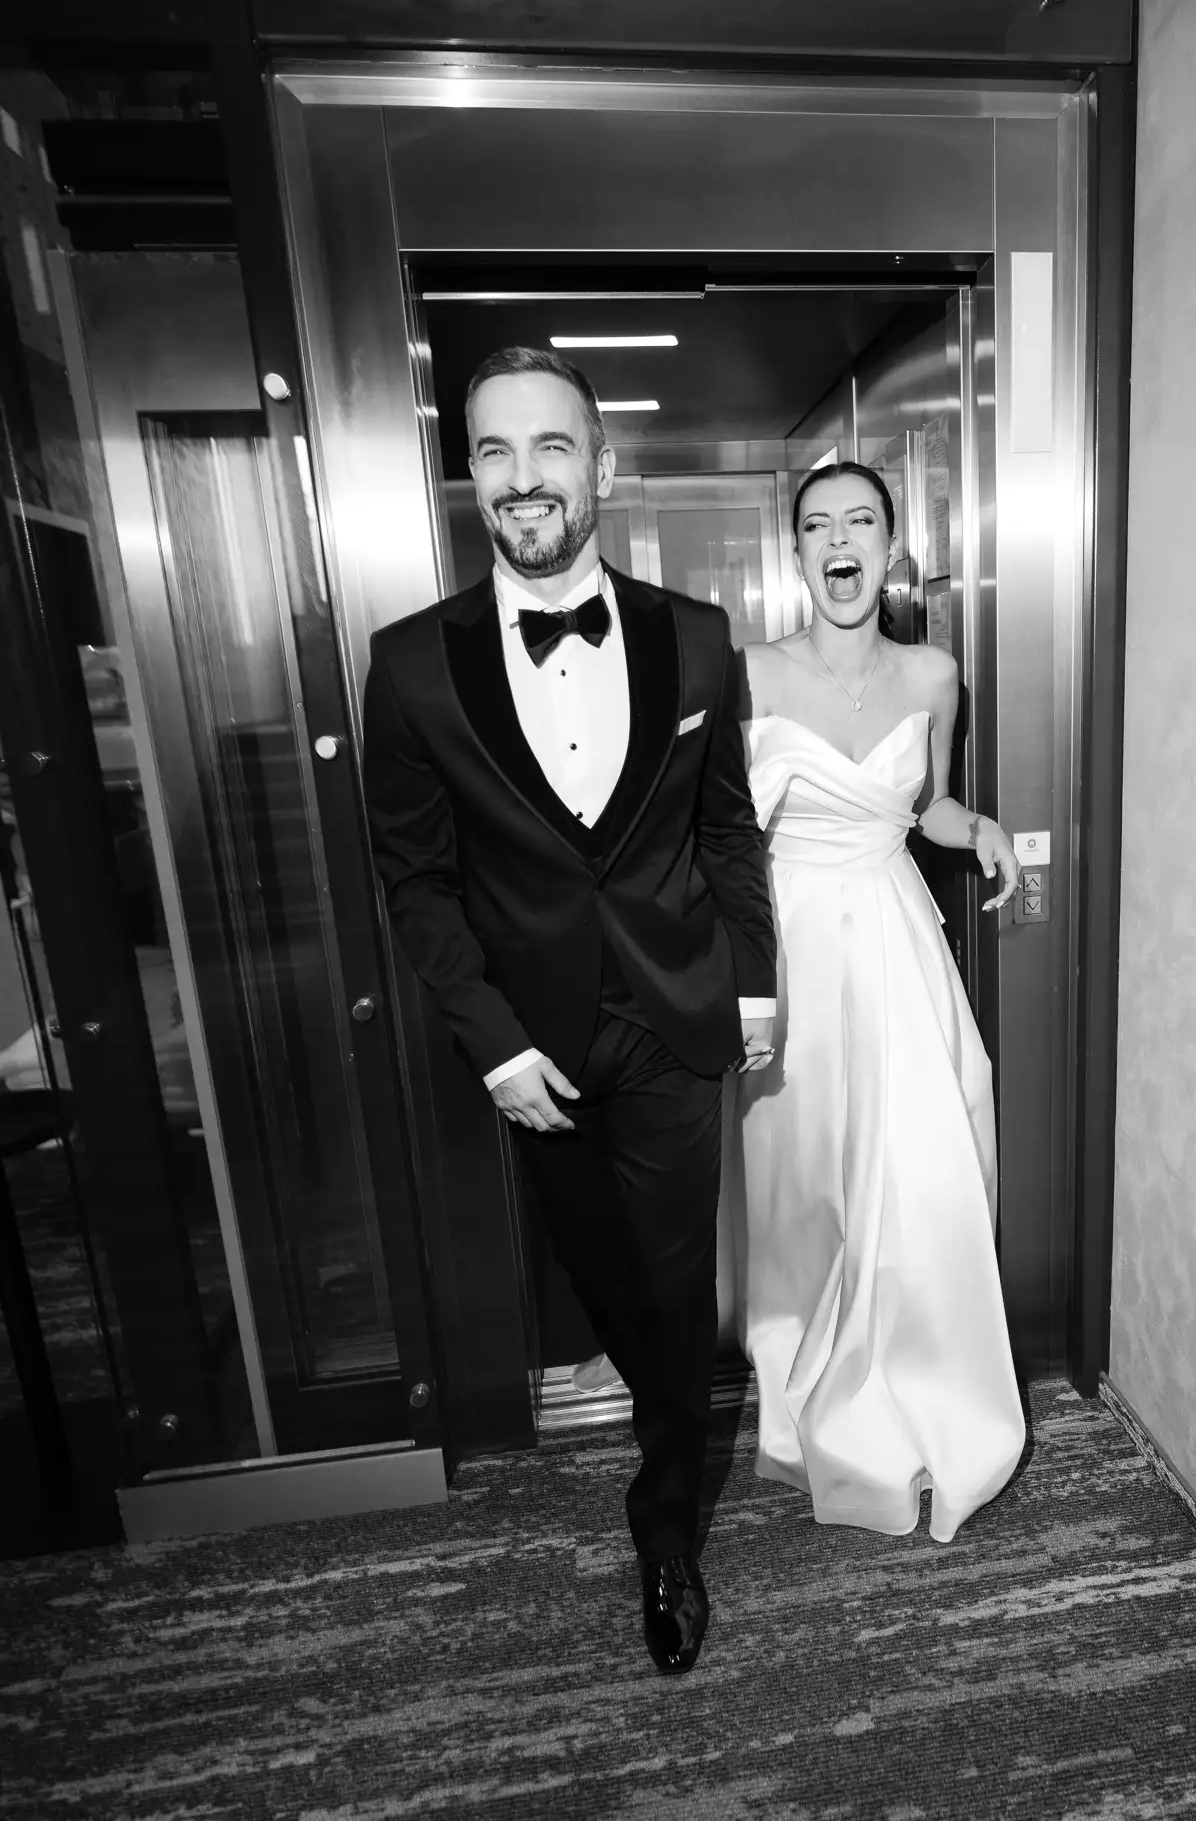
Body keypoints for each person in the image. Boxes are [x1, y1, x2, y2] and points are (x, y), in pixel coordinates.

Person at [361, 347, 776, 1675]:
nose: (524, 476)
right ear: (468, 477)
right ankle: (659, 1408)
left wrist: (754, 987)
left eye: (551, 447)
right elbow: (415, 882)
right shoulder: (411, 668)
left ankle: (666, 1534)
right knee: (607, 1284)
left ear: (599, 467)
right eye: (494, 451)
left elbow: (727, 840)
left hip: (670, 1027)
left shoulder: (694, 638)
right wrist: (492, 1045)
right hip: (531, 1050)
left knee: (669, 1283)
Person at [735, 460, 1027, 1539]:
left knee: (920, 1170)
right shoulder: (749, 674)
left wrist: (982, 827)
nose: (839, 539)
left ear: (890, 544)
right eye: (817, 525)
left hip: (899, 942)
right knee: (812, 1183)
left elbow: (932, 802)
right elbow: (725, 836)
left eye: (860, 518)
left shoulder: (935, 673)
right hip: (799, 950)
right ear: (798, 553)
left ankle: (922, 1394)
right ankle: (808, 1383)